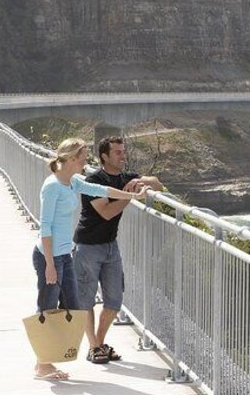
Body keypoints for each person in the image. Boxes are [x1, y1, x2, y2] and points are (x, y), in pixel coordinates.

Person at [32, 138, 147, 381]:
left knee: (73, 308)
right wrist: (50, 265)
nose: (87, 160)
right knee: (47, 308)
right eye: (83, 156)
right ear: (73, 158)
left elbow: (101, 190)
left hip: (65, 254)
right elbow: (45, 228)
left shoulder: (73, 181)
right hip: (48, 256)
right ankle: (42, 365)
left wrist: (134, 196)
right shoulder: (52, 186)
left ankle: (53, 358)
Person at [73, 136, 163, 364]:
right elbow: (106, 212)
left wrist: (141, 184)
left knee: (114, 300)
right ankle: (94, 347)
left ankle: (99, 344)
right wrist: (131, 196)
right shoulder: (94, 180)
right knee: (86, 300)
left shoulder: (124, 177)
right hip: (87, 247)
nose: (123, 156)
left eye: (123, 152)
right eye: (118, 153)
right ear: (104, 156)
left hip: (110, 246)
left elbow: (158, 183)